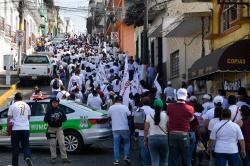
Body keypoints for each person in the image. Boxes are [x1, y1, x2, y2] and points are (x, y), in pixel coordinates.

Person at [167, 88, 194, 166]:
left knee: (173, 159)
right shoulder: (190, 108)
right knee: (186, 159)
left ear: (176, 96)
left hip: (172, 135)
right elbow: (191, 119)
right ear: (186, 96)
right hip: (184, 135)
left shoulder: (169, 106)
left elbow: (168, 119)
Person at [7, 92, 33, 166]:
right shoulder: (27, 106)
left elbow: (9, 119)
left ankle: (15, 164)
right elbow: (28, 117)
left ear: (15, 98)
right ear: (22, 98)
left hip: (15, 129)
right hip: (25, 128)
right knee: (26, 145)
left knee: (15, 147)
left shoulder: (12, 106)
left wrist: (9, 129)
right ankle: (27, 157)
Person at [44, 97, 71, 164]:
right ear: (51, 103)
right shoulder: (49, 111)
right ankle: (53, 158)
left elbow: (65, 119)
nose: (55, 103)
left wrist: (59, 119)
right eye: (53, 102)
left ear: (58, 103)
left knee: (62, 143)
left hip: (59, 129)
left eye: (56, 102)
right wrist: (51, 119)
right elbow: (45, 120)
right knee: (52, 144)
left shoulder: (60, 110)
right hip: (51, 129)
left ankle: (64, 158)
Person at [144, 99, 168, 166]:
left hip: (152, 139)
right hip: (164, 139)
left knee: (154, 161)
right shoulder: (166, 116)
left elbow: (146, 129)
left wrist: (145, 140)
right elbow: (168, 128)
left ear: (153, 106)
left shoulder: (149, 115)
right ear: (162, 106)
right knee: (165, 161)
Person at [108, 96, 131, 165]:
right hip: (124, 128)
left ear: (115, 100)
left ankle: (116, 160)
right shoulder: (125, 107)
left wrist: (110, 123)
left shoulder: (111, 108)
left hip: (115, 128)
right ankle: (126, 156)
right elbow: (129, 116)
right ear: (122, 101)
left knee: (116, 145)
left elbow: (109, 117)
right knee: (127, 142)